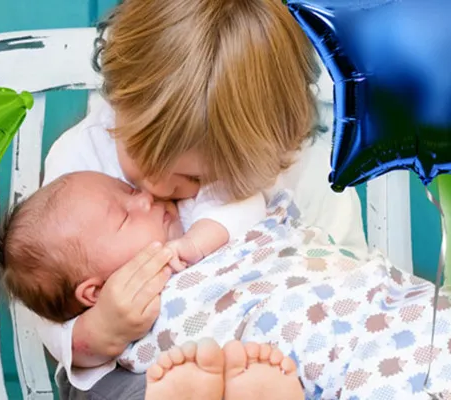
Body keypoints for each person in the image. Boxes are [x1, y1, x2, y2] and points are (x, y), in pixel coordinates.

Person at [36, 0, 368, 398]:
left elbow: (344, 274)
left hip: (272, 354)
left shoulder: (296, 169)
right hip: (136, 366)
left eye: (194, 177)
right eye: (140, 155)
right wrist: (97, 330)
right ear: (119, 100)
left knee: (307, 375)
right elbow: (48, 296)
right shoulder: (79, 161)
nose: (155, 189)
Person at [0, 171, 303, 400]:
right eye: (125, 217)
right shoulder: (124, 308)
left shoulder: (189, 221)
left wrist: (196, 242)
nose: (145, 197)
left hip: (272, 330)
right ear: (96, 292)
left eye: (129, 190)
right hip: (188, 368)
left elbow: (242, 204)